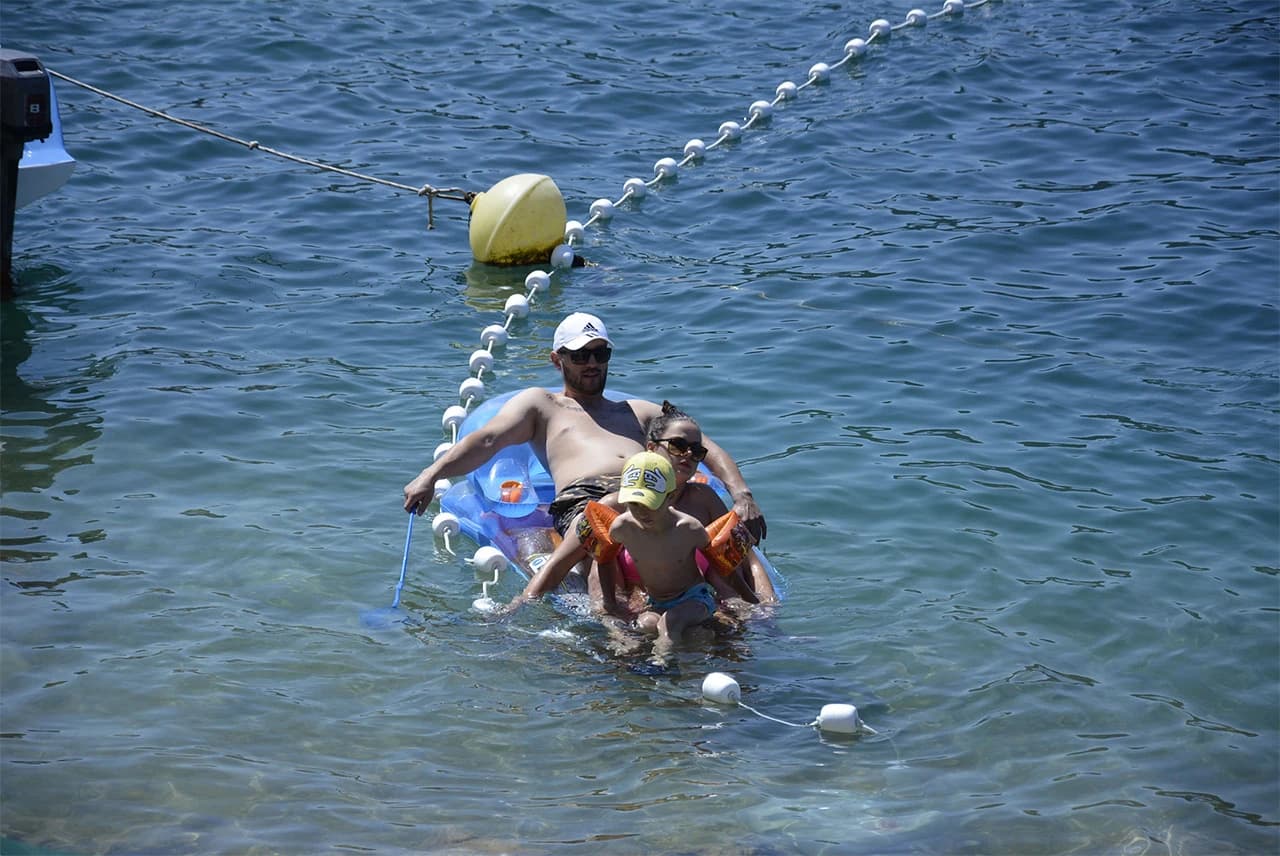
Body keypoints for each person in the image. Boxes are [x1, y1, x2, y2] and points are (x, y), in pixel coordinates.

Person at [402, 311, 767, 551]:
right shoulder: (542, 405)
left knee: (721, 526)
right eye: (580, 355)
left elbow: (705, 446)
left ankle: (756, 616)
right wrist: (430, 476)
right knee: (615, 534)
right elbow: (488, 440)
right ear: (556, 360)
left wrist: (743, 495)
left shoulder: (637, 410)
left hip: (653, 494)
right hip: (588, 501)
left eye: (600, 353)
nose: (592, 363)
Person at [503, 400, 776, 617]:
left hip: (695, 601)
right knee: (601, 560)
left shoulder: (704, 501)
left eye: (697, 451)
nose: (688, 455)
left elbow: (747, 559)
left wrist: (768, 606)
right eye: (678, 446)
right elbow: (559, 565)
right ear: (651, 448)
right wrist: (518, 605)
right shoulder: (614, 506)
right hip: (632, 607)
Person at [604, 451, 719, 661]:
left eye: (649, 504)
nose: (642, 512)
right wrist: (609, 602)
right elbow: (603, 560)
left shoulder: (688, 527)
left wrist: (745, 597)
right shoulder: (622, 527)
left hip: (695, 598)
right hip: (657, 601)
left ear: (669, 497)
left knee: (671, 623)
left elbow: (721, 563)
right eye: (634, 504)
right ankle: (694, 640)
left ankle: (661, 666)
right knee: (645, 624)